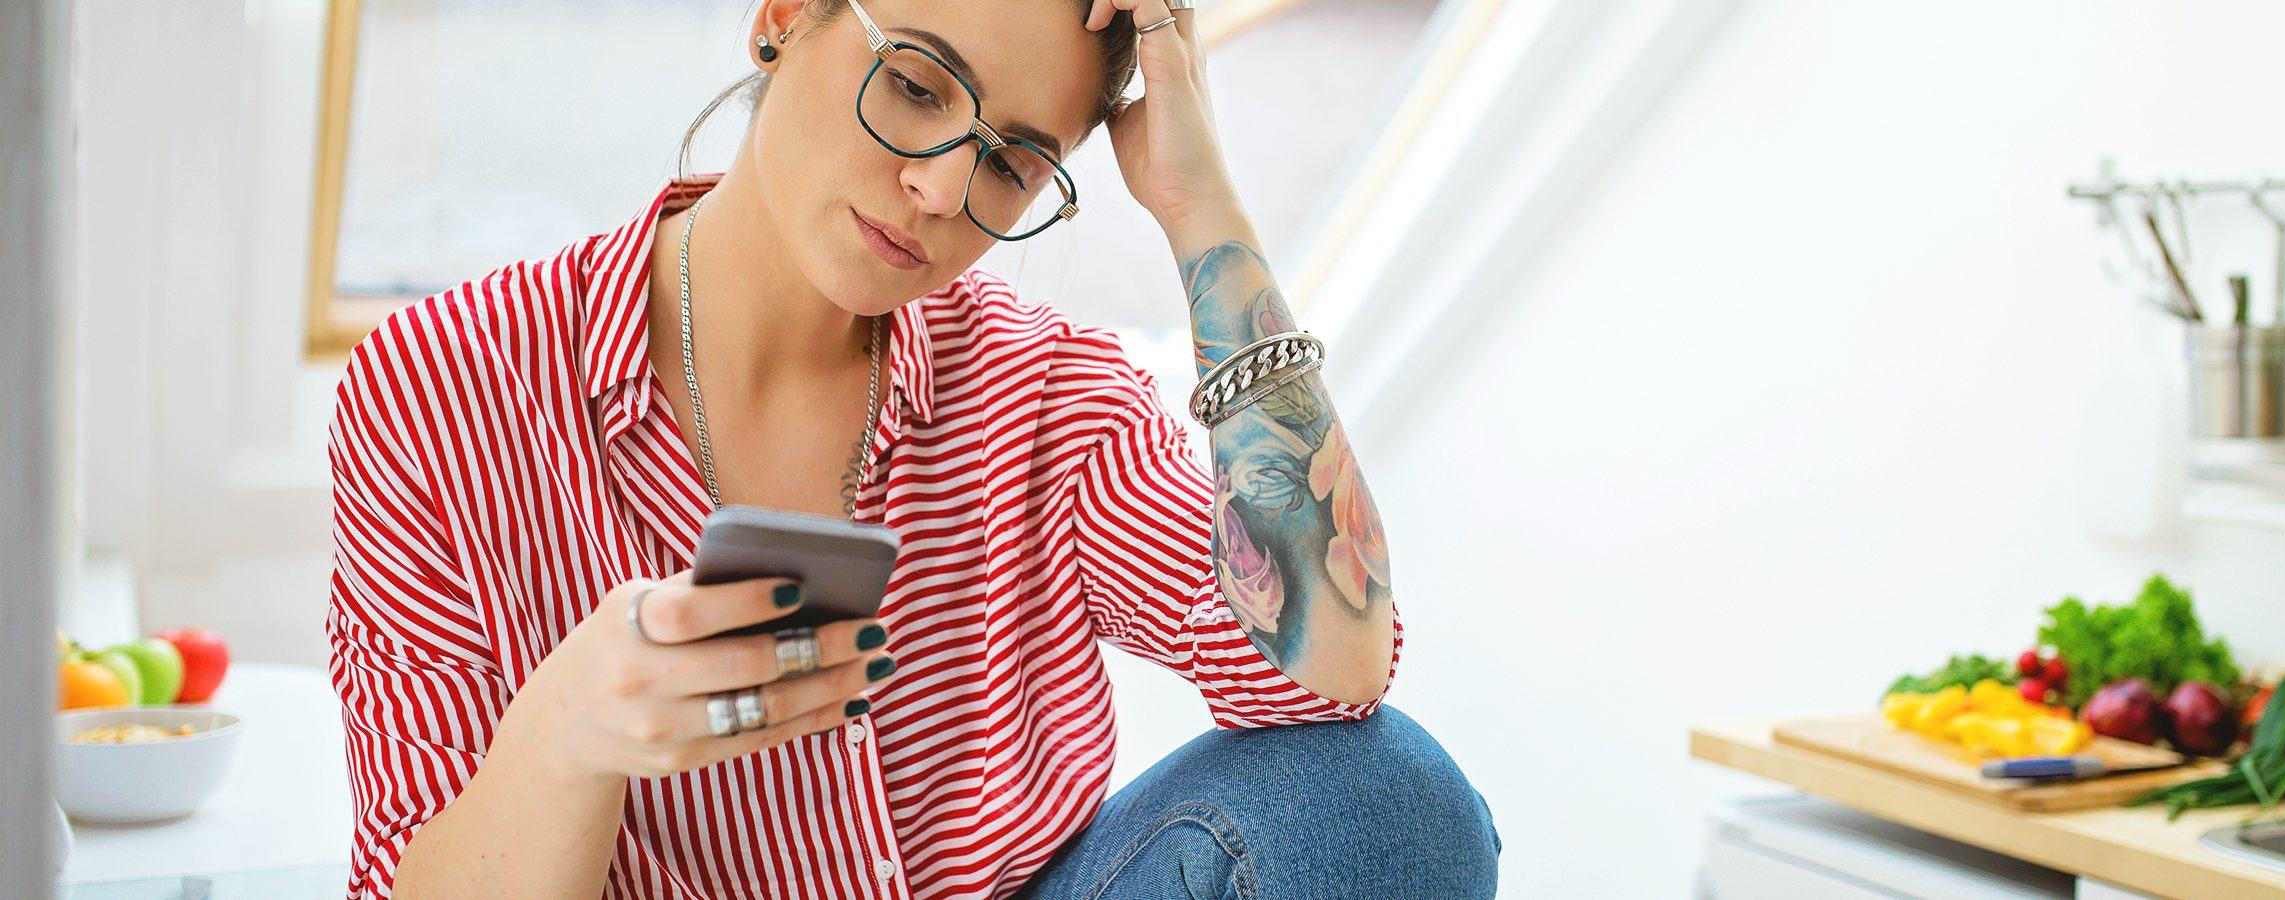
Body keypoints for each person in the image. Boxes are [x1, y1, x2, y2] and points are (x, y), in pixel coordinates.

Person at [324, 0, 1498, 897]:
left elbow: (1332, 666)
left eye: (1010, 161)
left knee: (1388, 796)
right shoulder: (439, 387)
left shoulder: (1041, 390)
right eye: (921, 84)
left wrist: (1202, 210)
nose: (941, 188)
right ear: (784, 17)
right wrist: (571, 728)